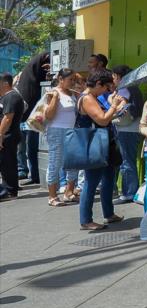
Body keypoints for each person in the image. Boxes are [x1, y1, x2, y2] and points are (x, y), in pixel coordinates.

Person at [76, 69, 126, 230]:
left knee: (109, 180)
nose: (108, 91)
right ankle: (86, 220)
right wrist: (114, 106)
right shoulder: (87, 99)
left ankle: (109, 213)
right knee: (91, 182)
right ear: (98, 84)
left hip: (105, 144)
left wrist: (113, 108)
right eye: (106, 88)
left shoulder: (94, 97)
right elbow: (103, 120)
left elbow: (106, 116)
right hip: (94, 144)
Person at [108, 65, 144, 204]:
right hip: (132, 129)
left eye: (113, 76)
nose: (113, 79)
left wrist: (111, 100)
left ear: (119, 76)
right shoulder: (133, 88)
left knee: (126, 161)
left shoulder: (124, 88)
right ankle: (129, 190)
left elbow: (118, 107)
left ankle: (129, 192)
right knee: (128, 160)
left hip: (127, 129)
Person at [44, 69, 79, 206]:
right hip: (56, 130)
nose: (72, 82)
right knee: (55, 162)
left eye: (73, 80)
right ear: (60, 79)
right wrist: (55, 98)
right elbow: (49, 115)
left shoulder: (73, 93)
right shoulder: (53, 92)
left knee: (73, 162)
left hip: (71, 130)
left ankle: (68, 192)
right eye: (70, 79)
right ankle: (52, 196)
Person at [14, 52, 49, 185]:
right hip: (32, 117)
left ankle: (28, 172)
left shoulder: (29, 73)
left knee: (25, 148)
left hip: (25, 116)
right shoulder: (33, 76)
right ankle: (32, 174)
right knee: (29, 147)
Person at [0, 73, 26, 199]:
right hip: (6, 135)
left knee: (8, 164)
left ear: (5, 83)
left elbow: (8, 117)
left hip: (8, 135)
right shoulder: (5, 97)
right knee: (5, 164)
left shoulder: (12, 97)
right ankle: (8, 188)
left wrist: (0, 134)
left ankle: (10, 191)